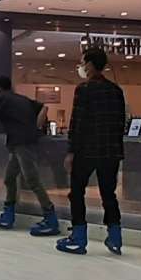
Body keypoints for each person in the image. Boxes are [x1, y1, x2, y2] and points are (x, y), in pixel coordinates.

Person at [58, 47, 128, 255]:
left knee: (77, 193)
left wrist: (71, 151)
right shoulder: (116, 91)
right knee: (109, 194)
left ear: (89, 64)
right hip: (111, 152)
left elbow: (77, 123)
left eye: (82, 62)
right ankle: (115, 237)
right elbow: (120, 123)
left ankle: (79, 237)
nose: (81, 66)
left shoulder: (84, 89)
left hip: (87, 151)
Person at [0, 76, 58, 235]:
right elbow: (44, 108)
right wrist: (36, 126)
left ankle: (51, 218)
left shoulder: (1, 98)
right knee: (9, 178)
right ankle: (9, 213)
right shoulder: (22, 99)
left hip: (22, 144)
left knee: (32, 180)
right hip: (18, 144)